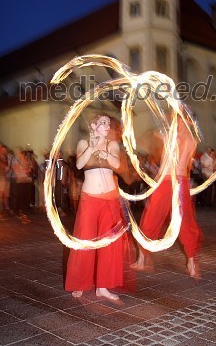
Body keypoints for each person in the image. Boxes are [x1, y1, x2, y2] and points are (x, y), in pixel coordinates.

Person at [65, 112, 132, 300]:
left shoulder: (112, 145)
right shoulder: (83, 143)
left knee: (109, 243)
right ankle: (79, 283)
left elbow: (118, 164)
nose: (107, 126)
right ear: (93, 126)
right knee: (84, 240)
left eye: (108, 123)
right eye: (103, 123)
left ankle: (103, 286)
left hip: (109, 199)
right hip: (90, 198)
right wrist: (93, 147)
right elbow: (79, 165)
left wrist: (106, 154)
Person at [131, 113, 202, 278]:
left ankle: (142, 260)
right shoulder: (192, 140)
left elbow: (154, 141)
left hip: (167, 181)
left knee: (151, 218)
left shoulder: (170, 136)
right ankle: (191, 263)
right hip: (182, 181)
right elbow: (186, 165)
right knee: (186, 222)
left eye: (176, 119)